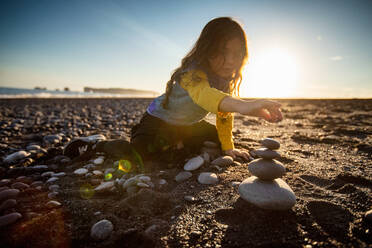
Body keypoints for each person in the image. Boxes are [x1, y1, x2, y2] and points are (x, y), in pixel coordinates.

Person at [64, 17, 282, 172]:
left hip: (185, 125)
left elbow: (223, 113)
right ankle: (96, 144)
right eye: (223, 52)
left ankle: (178, 141)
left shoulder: (225, 78)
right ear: (207, 49)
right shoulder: (191, 74)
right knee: (141, 154)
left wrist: (228, 148)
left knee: (217, 137)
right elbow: (205, 96)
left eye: (237, 53)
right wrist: (245, 105)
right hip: (158, 121)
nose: (232, 60)